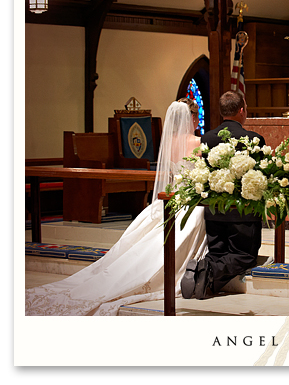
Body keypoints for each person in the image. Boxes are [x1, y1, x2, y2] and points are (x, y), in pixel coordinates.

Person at [25, 99, 207, 316]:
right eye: (195, 118)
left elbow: (169, 175)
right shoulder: (198, 142)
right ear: (192, 118)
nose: (196, 122)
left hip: (168, 200)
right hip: (190, 201)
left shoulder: (167, 144)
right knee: (200, 216)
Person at [185, 90, 266, 300]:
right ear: (242, 110)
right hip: (243, 215)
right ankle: (207, 270)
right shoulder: (255, 140)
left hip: (214, 211)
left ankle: (204, 270)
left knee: (218, 252)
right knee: (245, 257)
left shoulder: (208, 138)